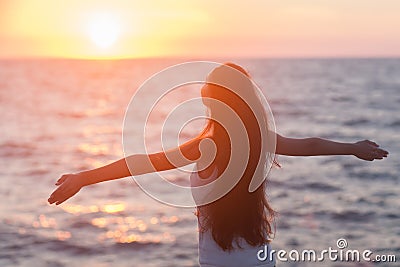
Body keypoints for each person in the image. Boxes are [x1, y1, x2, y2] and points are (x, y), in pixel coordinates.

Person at [48, 63, 388, 267]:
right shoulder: (261, 140)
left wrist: (84, 178)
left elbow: (141, 163)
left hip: (218, 262)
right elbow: (310, 144)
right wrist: (353, 148)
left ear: (209, 101)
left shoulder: (203, 147)